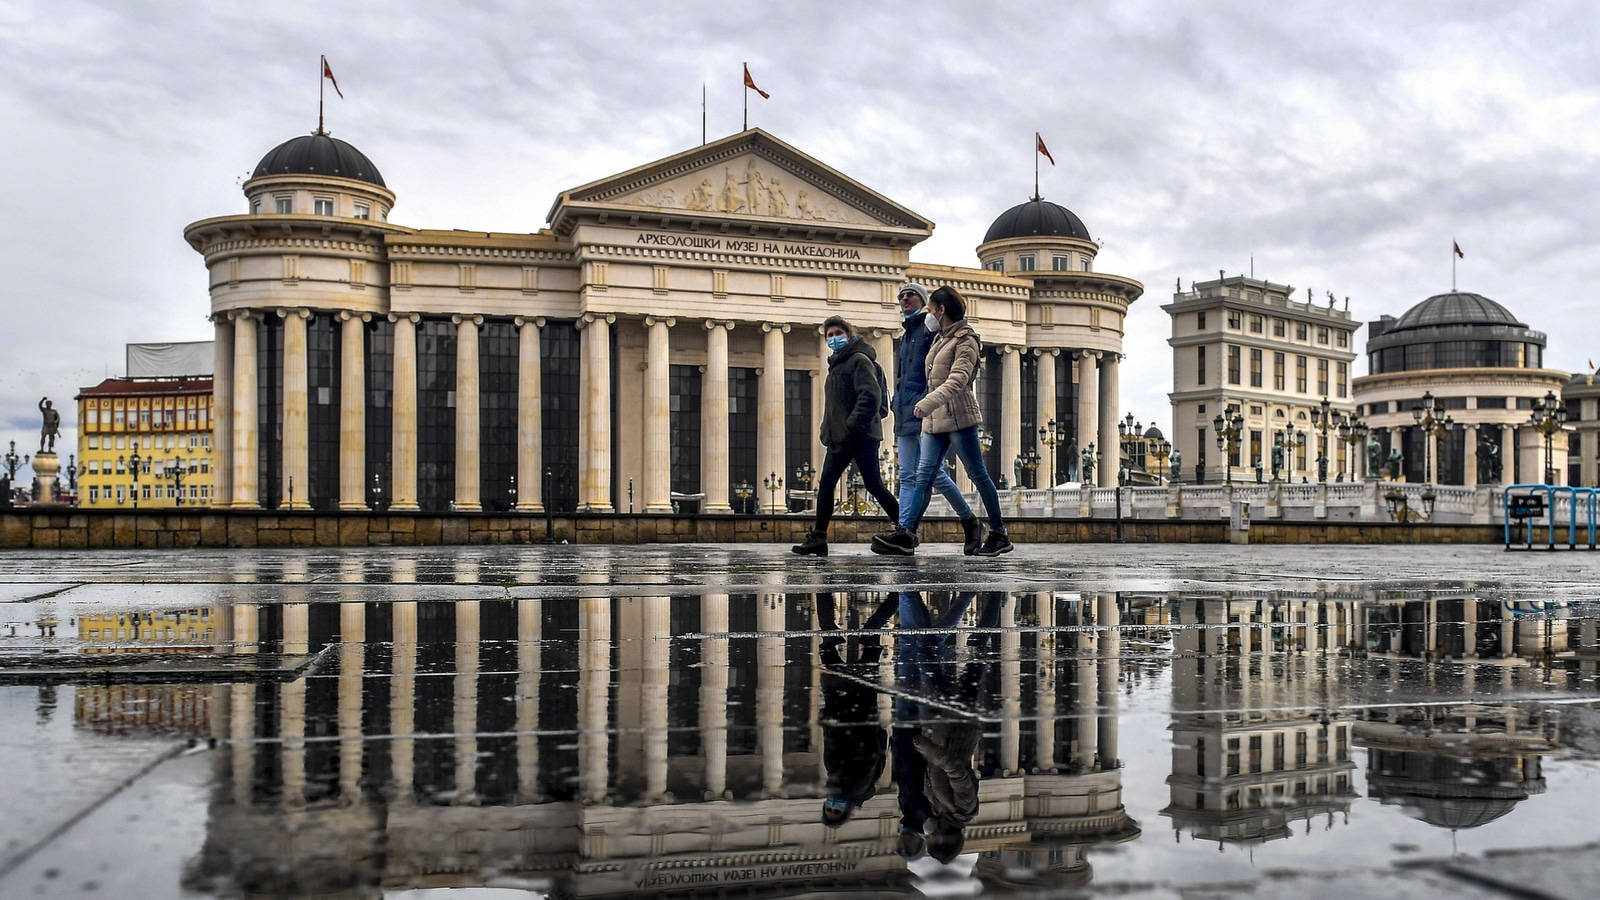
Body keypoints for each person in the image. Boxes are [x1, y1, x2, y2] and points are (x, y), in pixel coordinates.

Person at [873, 286, 1010, 556]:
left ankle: (998, 533)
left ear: (941, 310)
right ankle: (907, 533)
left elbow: (958, 380)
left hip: (958, 416)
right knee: (923, 476)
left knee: (978, 475)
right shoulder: (941, 339)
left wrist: (925, 402)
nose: (929, 314)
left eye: (932, 308)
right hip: (935, 419)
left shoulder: (965, 340)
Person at [792, 316, 899, 555]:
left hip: (859, 436)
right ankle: (819, 537)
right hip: (840, 438)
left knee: (874, 485)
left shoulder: (859, 360)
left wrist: (852, 426)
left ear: (849, 335)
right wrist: (828, 430)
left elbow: (871, 397)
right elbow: (835, 406)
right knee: (827, 484)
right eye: (829, 335)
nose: (833, 338)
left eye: (837, 333)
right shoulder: (837, 365)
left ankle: (905, 529)